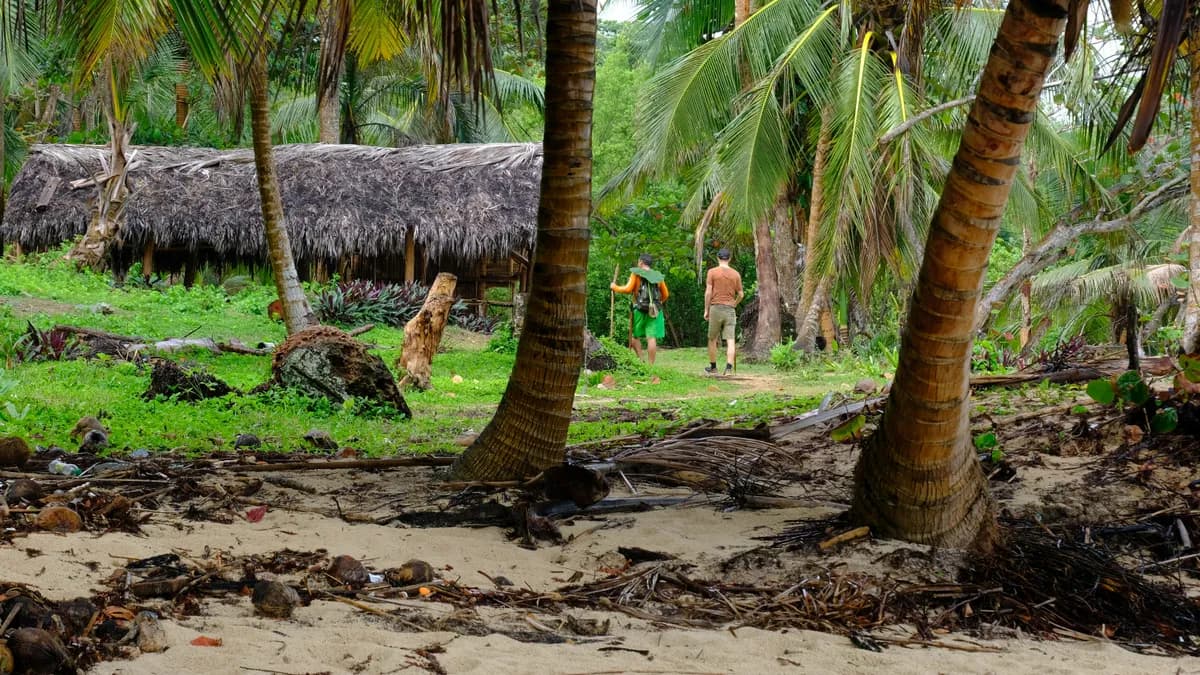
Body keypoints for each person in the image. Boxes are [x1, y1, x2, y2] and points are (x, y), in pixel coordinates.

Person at [611, 253, 669, 366]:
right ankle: (651, 366)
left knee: (634, 337)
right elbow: (666, 294)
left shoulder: (636, 273)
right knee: (651, 338)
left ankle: (641, 361)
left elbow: (627, 289)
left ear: (641, 262)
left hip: (639, 310)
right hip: (654, 312)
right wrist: (656, 303)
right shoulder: (657, 276)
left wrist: (614, 287)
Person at [704, 248, 744, 375]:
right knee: (730, 340)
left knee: (712, 339)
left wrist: (706, 309)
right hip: (729, 310)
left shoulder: (712, 272)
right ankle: (729, 369)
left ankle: (713, 367)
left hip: (715, 308)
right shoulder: (735, 274)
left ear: (718, 258)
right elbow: (741, 294)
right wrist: (734, 304)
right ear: (729, 258)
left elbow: (708, 292)